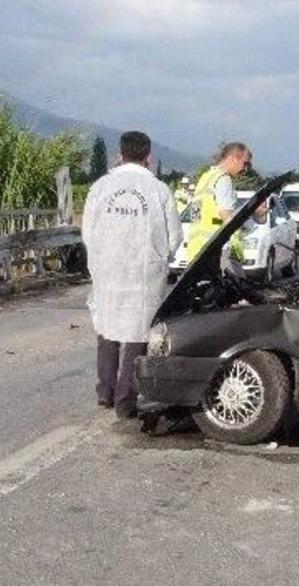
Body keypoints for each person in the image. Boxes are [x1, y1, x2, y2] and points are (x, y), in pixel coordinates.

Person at [82, 130, 182, 419]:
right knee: (138, 332)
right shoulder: (159, 190)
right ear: (148, 157)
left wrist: (103, 257)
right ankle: (125, 400)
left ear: (119, 154)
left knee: (107, 326)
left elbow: (88, 232)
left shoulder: (100, 187)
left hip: (107, 269)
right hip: (144, 273)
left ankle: (106, 392)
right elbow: (174, 237)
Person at [185, 141, 253, 263]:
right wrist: (236, 241)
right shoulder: (223, 179)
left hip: (195, 248)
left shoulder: (207, 177)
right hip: (216, 248)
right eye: (245, 163)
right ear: (233, 158)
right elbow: (226, 215)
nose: (246, 169)